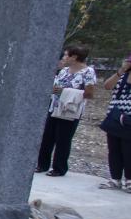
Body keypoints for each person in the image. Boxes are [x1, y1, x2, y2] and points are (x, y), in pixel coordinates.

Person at [36, 45, 97, 177]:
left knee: (63, 139)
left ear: (74, 57)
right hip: (55, 107)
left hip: (70, 110)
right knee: (47, 137)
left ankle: (59, 167)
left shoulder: (88, 72)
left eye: (65, 55)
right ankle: (42, 164)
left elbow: (90, 93)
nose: (64, 58)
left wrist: (66, 92)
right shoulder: (64, 70)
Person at [99, 56, 131, 192]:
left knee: (128, 151)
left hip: (129, 119)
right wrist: (121, 71)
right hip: (115, 117)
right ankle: (115, 178)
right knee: (114, 150)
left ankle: (129, 180)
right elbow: (107, 86)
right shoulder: (122, 76)